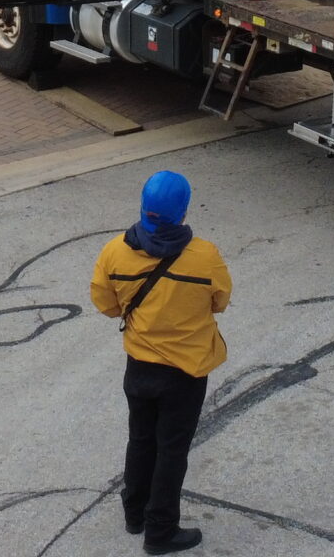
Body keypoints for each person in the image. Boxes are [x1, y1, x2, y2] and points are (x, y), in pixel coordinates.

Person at [90, 170, 230, 553]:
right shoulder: (205, 257)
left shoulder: (114, 251)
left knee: (141, 439)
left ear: (143, 207)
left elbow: (105, 304)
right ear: (183, 212)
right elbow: (220, 301)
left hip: (139, 367)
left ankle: (134, 513)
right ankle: (160, 532)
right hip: (186, 372)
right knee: (171, 450)